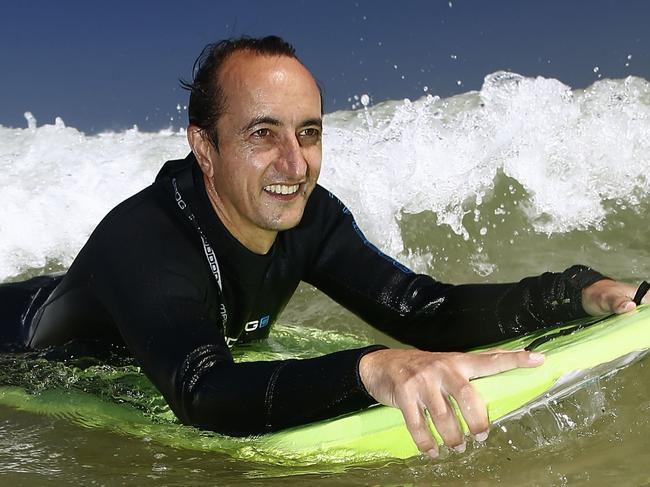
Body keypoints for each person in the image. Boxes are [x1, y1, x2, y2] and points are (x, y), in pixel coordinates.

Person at [0, 36, 646, 459]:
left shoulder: (308, 217)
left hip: (145, 317)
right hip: (18, 346)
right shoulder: (143, 241)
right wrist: (369, 368)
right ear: (204, 146)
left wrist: (577, 291)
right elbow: (201, 392)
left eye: (308, 132)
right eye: (263, 133)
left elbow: (424, 308)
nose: (294, 162)